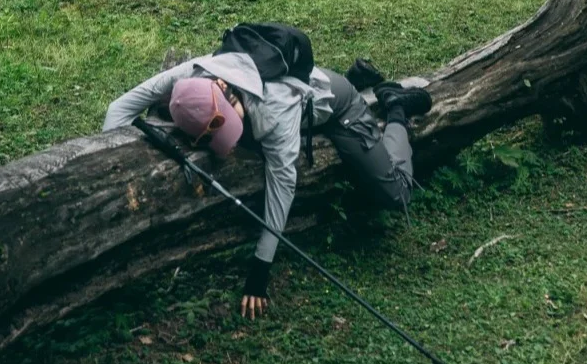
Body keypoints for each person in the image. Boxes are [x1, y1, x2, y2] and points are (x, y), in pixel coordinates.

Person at [102, 29, 432, 320]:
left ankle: (395, 105)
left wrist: (260, 271)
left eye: (233, 122)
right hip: (305, 94)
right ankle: (359, 80)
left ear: (225, 91)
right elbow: (118, 109)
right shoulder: (190, 75)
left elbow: (282, 186)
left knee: (396, 193)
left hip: (338, 110)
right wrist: (112, 170)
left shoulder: (275, 113)